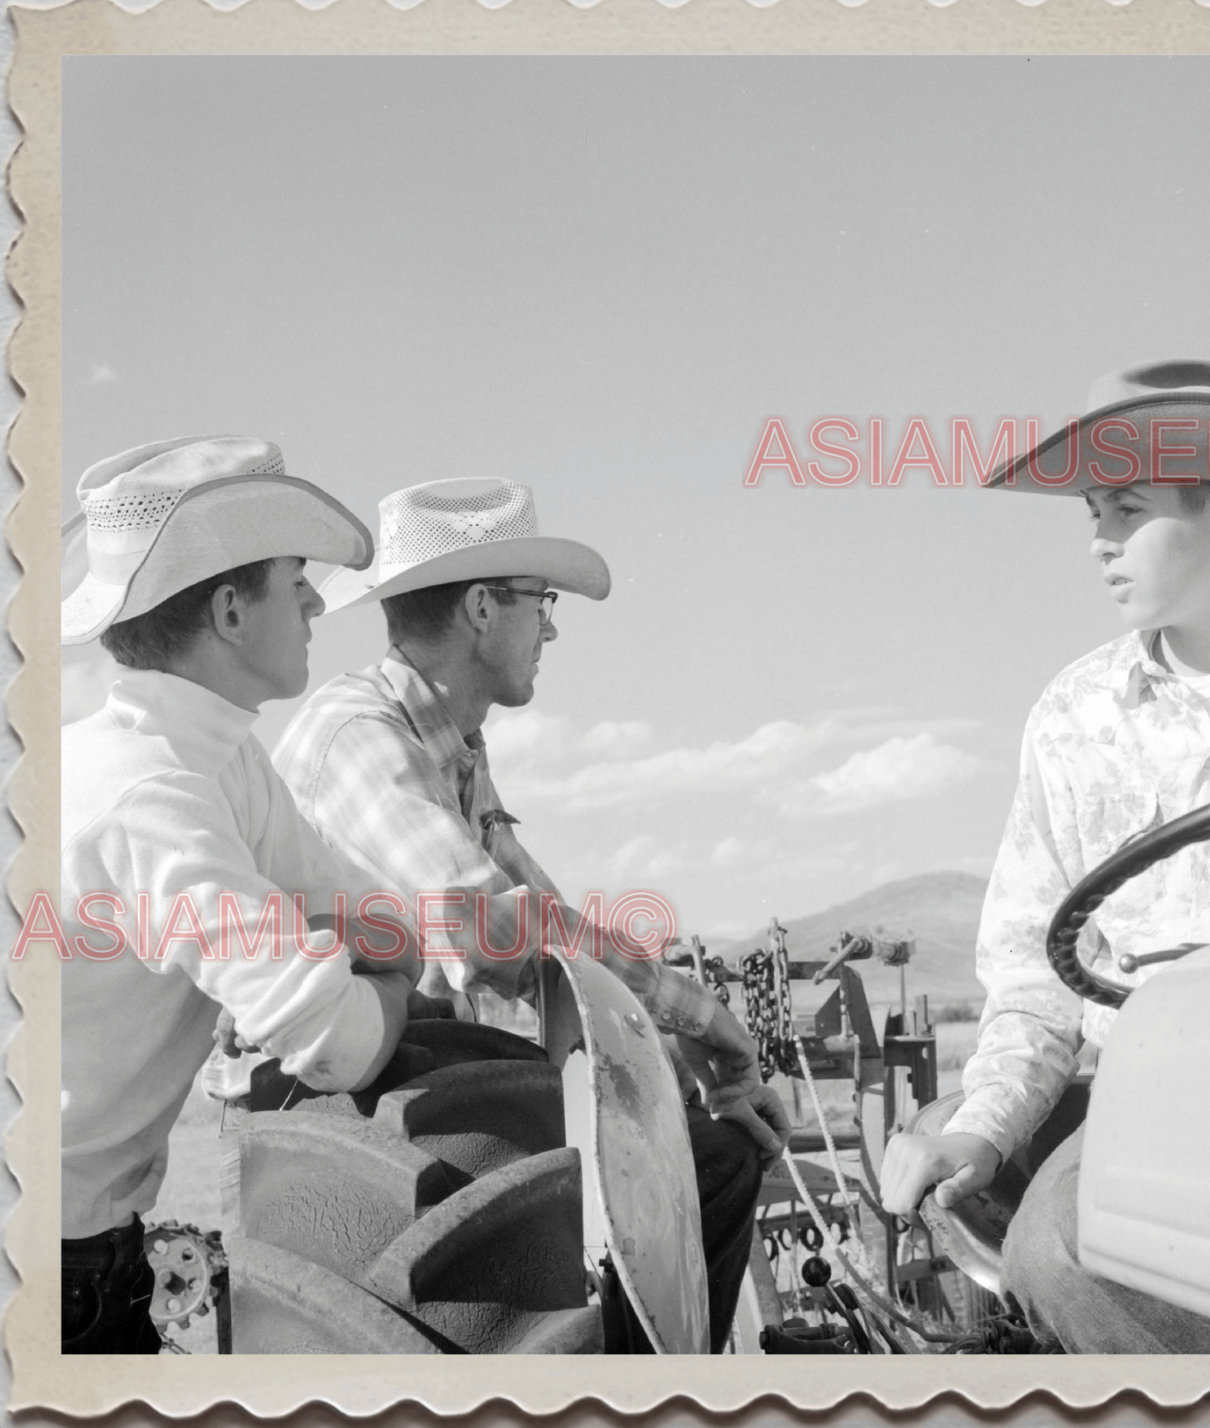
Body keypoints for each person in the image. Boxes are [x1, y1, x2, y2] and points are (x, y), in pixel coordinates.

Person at [880, 360, 1210, 1353]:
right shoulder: (1071, 716)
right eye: (1092, 514)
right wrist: (982, 1125)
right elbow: (1033, 972)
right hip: (1142, 1093)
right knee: (1062, 1247)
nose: (1099, 540)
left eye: (1124, 509)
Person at [272, 476, 789, 1352]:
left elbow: (547, 921)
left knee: (712, 1159)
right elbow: (487, 925)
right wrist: (698, 1013)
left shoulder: (455, 751)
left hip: (429, 1071)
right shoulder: (357, 738)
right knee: (672, 1186)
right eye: (537, 602)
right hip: (347, 1095)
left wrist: (678, 1050)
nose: (549, 626)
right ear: (482, 606)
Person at [59, 436, 422, 1353]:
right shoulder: (154, 792)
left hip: (85, 1248)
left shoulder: (214, 760)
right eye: (293, 578)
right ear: (229, 608)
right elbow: (333, 1040)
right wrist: (384, 981)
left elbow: (367, 913)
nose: (312, 603)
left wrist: (374, 955)